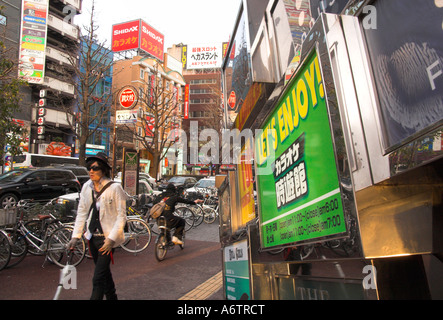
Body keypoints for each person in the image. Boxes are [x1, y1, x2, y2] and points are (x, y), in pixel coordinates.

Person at [68, 152, 127, 300]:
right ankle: (112, 297)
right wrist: (75, 236)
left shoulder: (115, 188)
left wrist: (111, 239)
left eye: (96, 168)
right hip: (92, 237)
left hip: (106, 239)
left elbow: (121, 217)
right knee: (104, 273)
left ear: (104, 170)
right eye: (89, 168)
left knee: (98, 278)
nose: (91, 171)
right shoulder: (87, 187)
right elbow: (82, 212)